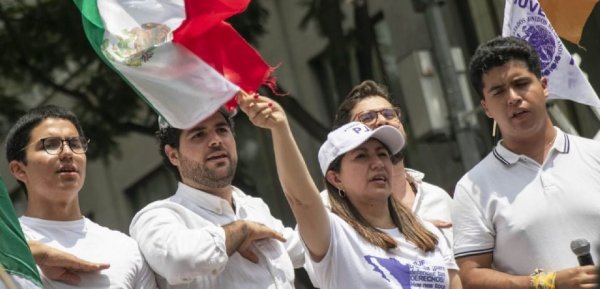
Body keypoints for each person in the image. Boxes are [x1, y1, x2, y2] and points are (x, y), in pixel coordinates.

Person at [237, 91, 461, 289]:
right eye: (361, 156)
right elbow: (301, 200)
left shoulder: (430, 233)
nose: (377, 163)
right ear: (336, 179)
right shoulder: (333, 234)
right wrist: (280, 128)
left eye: (382, 154)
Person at [452, 36, 600, 289]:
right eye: (498, 91)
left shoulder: (595, 154)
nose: (513, 98)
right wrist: (546, 283)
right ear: (486, 107)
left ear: (544, 86)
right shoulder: (473, 187)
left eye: (521, 83)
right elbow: (471, 276)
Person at [129, 107, 304, 288]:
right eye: (198, 135)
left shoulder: (253, 207)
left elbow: (306, 249)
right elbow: (178, 260)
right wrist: (240, 231)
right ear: (173, 155)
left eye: (222, 130)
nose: (215, 141)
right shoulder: (156, 216)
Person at [5, 105, 157, 288]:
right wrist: (33, 253)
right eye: (50, 144)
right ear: (19, 169)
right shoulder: (8, 243)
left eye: (75, 144)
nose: (67, 153)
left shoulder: (125, 248)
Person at [332, 80, 453, 244]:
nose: (382, 120)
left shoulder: (438, 198)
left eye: (389, 114)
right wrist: (413, 233)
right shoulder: (328, 208)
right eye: (367, 117)